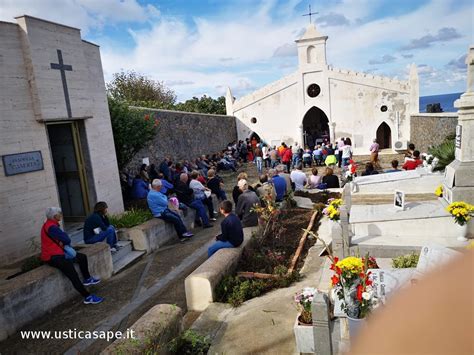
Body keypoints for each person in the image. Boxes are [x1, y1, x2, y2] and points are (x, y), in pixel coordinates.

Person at [41, 207, 103, 304]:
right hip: (53, 256)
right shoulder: (52, 227)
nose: (61, 215)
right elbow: (67, 239)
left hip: (59, 252)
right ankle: (88, 297)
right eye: (59, 213)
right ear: (54, 216)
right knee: (73, 274)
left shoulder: (50, 224)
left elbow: (63, 239)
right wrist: (63, 240)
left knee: (82, 257)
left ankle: (87, 278)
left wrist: (62, 240)